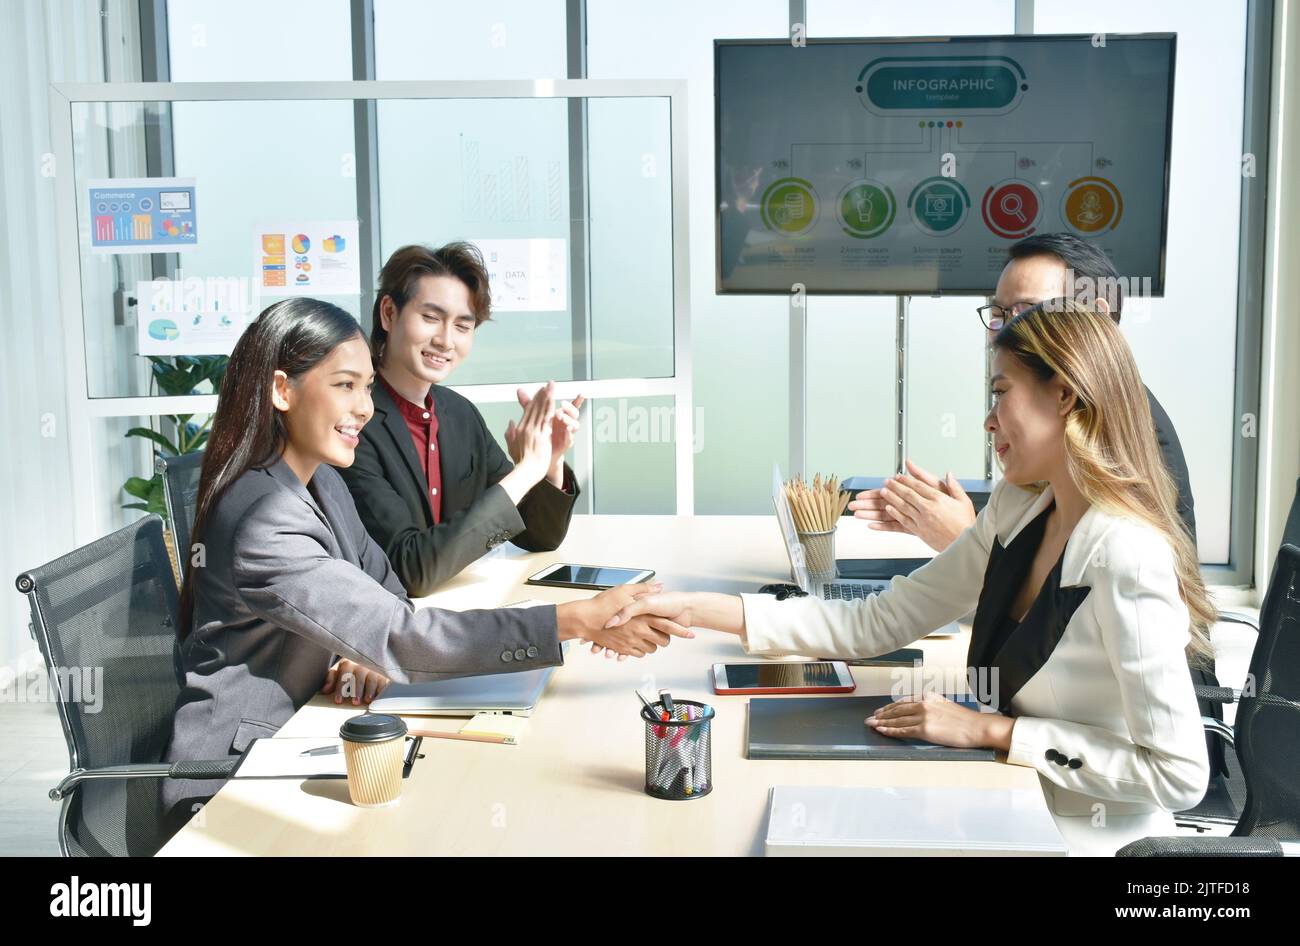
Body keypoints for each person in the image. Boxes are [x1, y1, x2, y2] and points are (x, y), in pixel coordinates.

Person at [605, 300, 1212, 855]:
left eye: (1001, 393)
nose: (988, 420)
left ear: (1065, 398)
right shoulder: (1019, 508)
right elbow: (878, 621)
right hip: (1005, 799)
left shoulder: (1127, 555)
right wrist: (698, 608)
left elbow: (1179, 774)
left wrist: (992, 729)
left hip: (1080, 836)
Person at [161, 298, 690, 826]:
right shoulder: (264, 520)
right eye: (344, 385)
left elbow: (388, 593)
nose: (365, 407)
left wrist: (359, 647)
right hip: (235, 775)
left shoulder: (320, 479)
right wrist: (576, 620)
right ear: (282, 389)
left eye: (367, 387)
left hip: (311, 730)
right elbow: (402, 632)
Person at [850, 232, 1196, 553]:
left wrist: (962, 539)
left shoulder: (1129, 434)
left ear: (1096, 317)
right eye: (999, 314)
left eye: (1027, 311)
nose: (1004, 332)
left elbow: (1068, 605)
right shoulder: (1053, 427)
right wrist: (967, 530)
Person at [337, 243, 582, 597]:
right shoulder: (352, 420)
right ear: (389, 314)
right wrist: (526, 471)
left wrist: (550, 463)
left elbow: (539, 534)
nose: (445, 340)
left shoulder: (459, 414)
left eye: (463, 326)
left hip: (461, 609)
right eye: (431, 318)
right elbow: (411, 570)